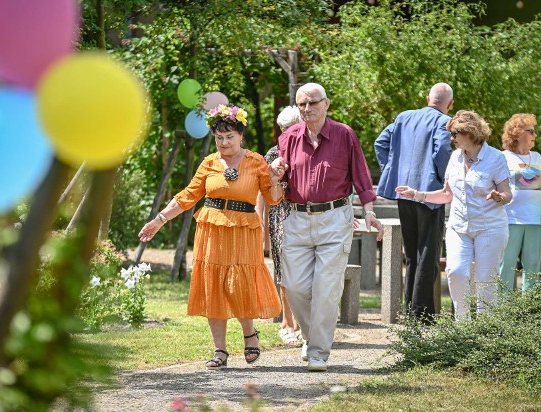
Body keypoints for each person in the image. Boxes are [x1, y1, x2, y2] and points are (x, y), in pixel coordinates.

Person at [138, 104, 285, 369]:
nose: (224, 142)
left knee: (238, 285)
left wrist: (275, 179)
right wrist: (159, 220)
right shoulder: (208, 163)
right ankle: (220, 350)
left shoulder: (256, 162)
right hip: (212, 229)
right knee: (214, 286)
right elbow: (187, 196)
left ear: (241, 135)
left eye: (230, 137)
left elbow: (273, 199)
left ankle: (249, 334)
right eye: (219, 138)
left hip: (243, 231)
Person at [277, 83, 384, 372]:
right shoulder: (287, 137)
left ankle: (318, 353)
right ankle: (312, 338)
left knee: (326, 289)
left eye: (313, 103)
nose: (307, 109)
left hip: (335, 218)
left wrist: (370, 211)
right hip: (297, 218)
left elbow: (361, 176)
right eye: (301, 104)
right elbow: (279, 180)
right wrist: (276, 174)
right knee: (295, 286)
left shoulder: (344, 135)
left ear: (327, 104)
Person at [396, 110, 512, 319]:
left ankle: (486, 330)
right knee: (456, 272)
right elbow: (446, 194)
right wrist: (417, 194)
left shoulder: (496, 158)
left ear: (470, 133)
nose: (452, 139)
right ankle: (463, 327)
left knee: (486, 280)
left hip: (490, 227)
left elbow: (507, 194)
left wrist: (498, 196)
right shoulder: (454, 157)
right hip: (459, 227)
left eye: (455, 134)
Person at [374, 83, 454, 324]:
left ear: (428, 97)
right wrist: (444, 181)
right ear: (449, 104)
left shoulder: (403, 117)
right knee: (428, 253)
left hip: (403, 192)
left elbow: (380, 143)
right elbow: (442, 152)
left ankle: (411, 309)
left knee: (412, 254)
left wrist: (391, 170)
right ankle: (421, 314)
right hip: (429, 193)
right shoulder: (445, 122)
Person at [256, 105, 303, 347]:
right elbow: (261, 191)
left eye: (293, 127)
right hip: (280, 217)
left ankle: (303, 324)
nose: (288, 133)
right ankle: (287, 322)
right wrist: (258, 219)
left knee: (305, 272)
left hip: (304, 216)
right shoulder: (273, 153)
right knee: (284, 270)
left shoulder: (309, 149)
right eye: (284, 129)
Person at [498, 114, 541, 294]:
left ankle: (529, 312)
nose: (534, 135)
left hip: (536, 219)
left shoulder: (537, 157)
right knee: (506, 264)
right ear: (517, 133)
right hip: (510, 218)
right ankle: (503, 311)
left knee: (532, 266)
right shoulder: (503, 157)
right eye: (530, 131)